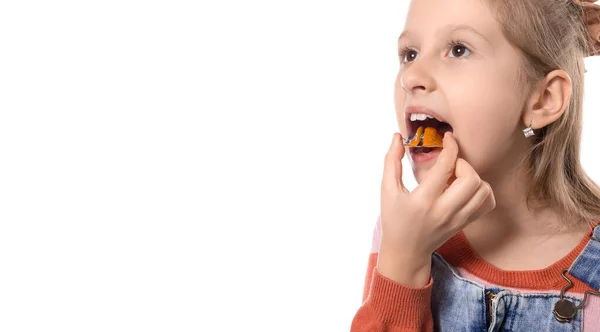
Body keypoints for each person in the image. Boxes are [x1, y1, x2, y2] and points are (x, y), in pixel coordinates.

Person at [350, 0, 600, 331]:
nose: (412, 76)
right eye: (409, 53)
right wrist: (403, 263)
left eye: (458, 50)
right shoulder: (401, 233)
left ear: (543, 99)